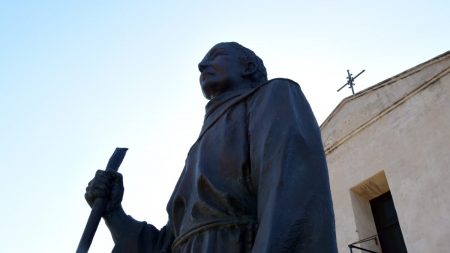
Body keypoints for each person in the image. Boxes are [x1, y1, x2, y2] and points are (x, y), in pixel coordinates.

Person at [85, 42, 338, 253]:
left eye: (215, 56)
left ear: (248, 67)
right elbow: (168, 244)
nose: (201, 66)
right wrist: (113, 213)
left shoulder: (274, 96)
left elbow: (292, 202)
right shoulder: (196, 150)